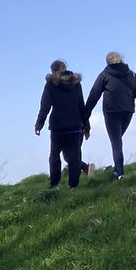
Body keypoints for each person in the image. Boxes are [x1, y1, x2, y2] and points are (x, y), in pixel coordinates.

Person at [84, 51, 136, 180]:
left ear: (107, 62)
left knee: (116, 143)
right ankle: (118, 169)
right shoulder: (131, 75)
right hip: (127, 112)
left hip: (111, 113)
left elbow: (93, 96)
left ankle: (120, 174)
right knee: (117, 141)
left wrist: (85, 115)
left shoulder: (105, 74)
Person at [34, 60, 91, 188]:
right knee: (74, 156)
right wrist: (86, 126)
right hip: (75, 126)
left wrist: (39, 124)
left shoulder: (50, 85)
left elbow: (45, 106)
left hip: (58, 127)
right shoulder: (76, 84)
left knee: (54, 156)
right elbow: (81, 105)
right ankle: (73, 186)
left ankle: (54, 184)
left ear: (53, 71)